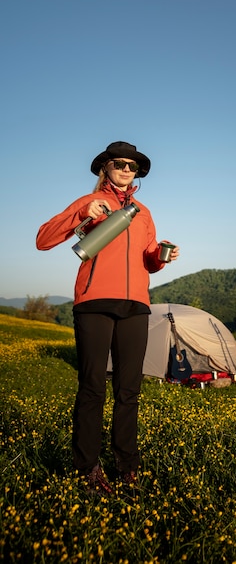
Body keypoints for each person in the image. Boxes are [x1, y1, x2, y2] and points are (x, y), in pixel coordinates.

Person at [36, 140, 179, 496]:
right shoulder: (91, 202)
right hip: (95, 301)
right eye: (119, 163)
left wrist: (162, 256)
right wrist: (83, 210)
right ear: (106, 167)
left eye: (132, 166)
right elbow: (43, 239)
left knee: (129, 391)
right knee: (92, 388)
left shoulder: (144, 212)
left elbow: (148, 260)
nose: (126, 170)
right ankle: (87, 468)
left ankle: (127, 467)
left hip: (136, 307)